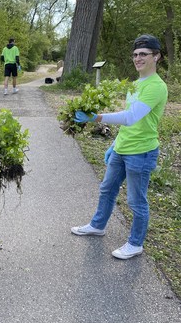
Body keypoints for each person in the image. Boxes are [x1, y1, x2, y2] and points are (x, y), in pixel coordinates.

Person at [71, 34, 168, 260]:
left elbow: (132, 117)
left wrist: (96, 118)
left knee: (136, 200)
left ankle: (135, 244)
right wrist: (114, 144)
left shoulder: (157, 87)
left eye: (143, 54)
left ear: (157, 56)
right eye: (135, 54)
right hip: (122, 148)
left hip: (141, 152)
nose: (138, 58)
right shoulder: (134, 84)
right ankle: (97, 225)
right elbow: (128, 124)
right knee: (107, 189)